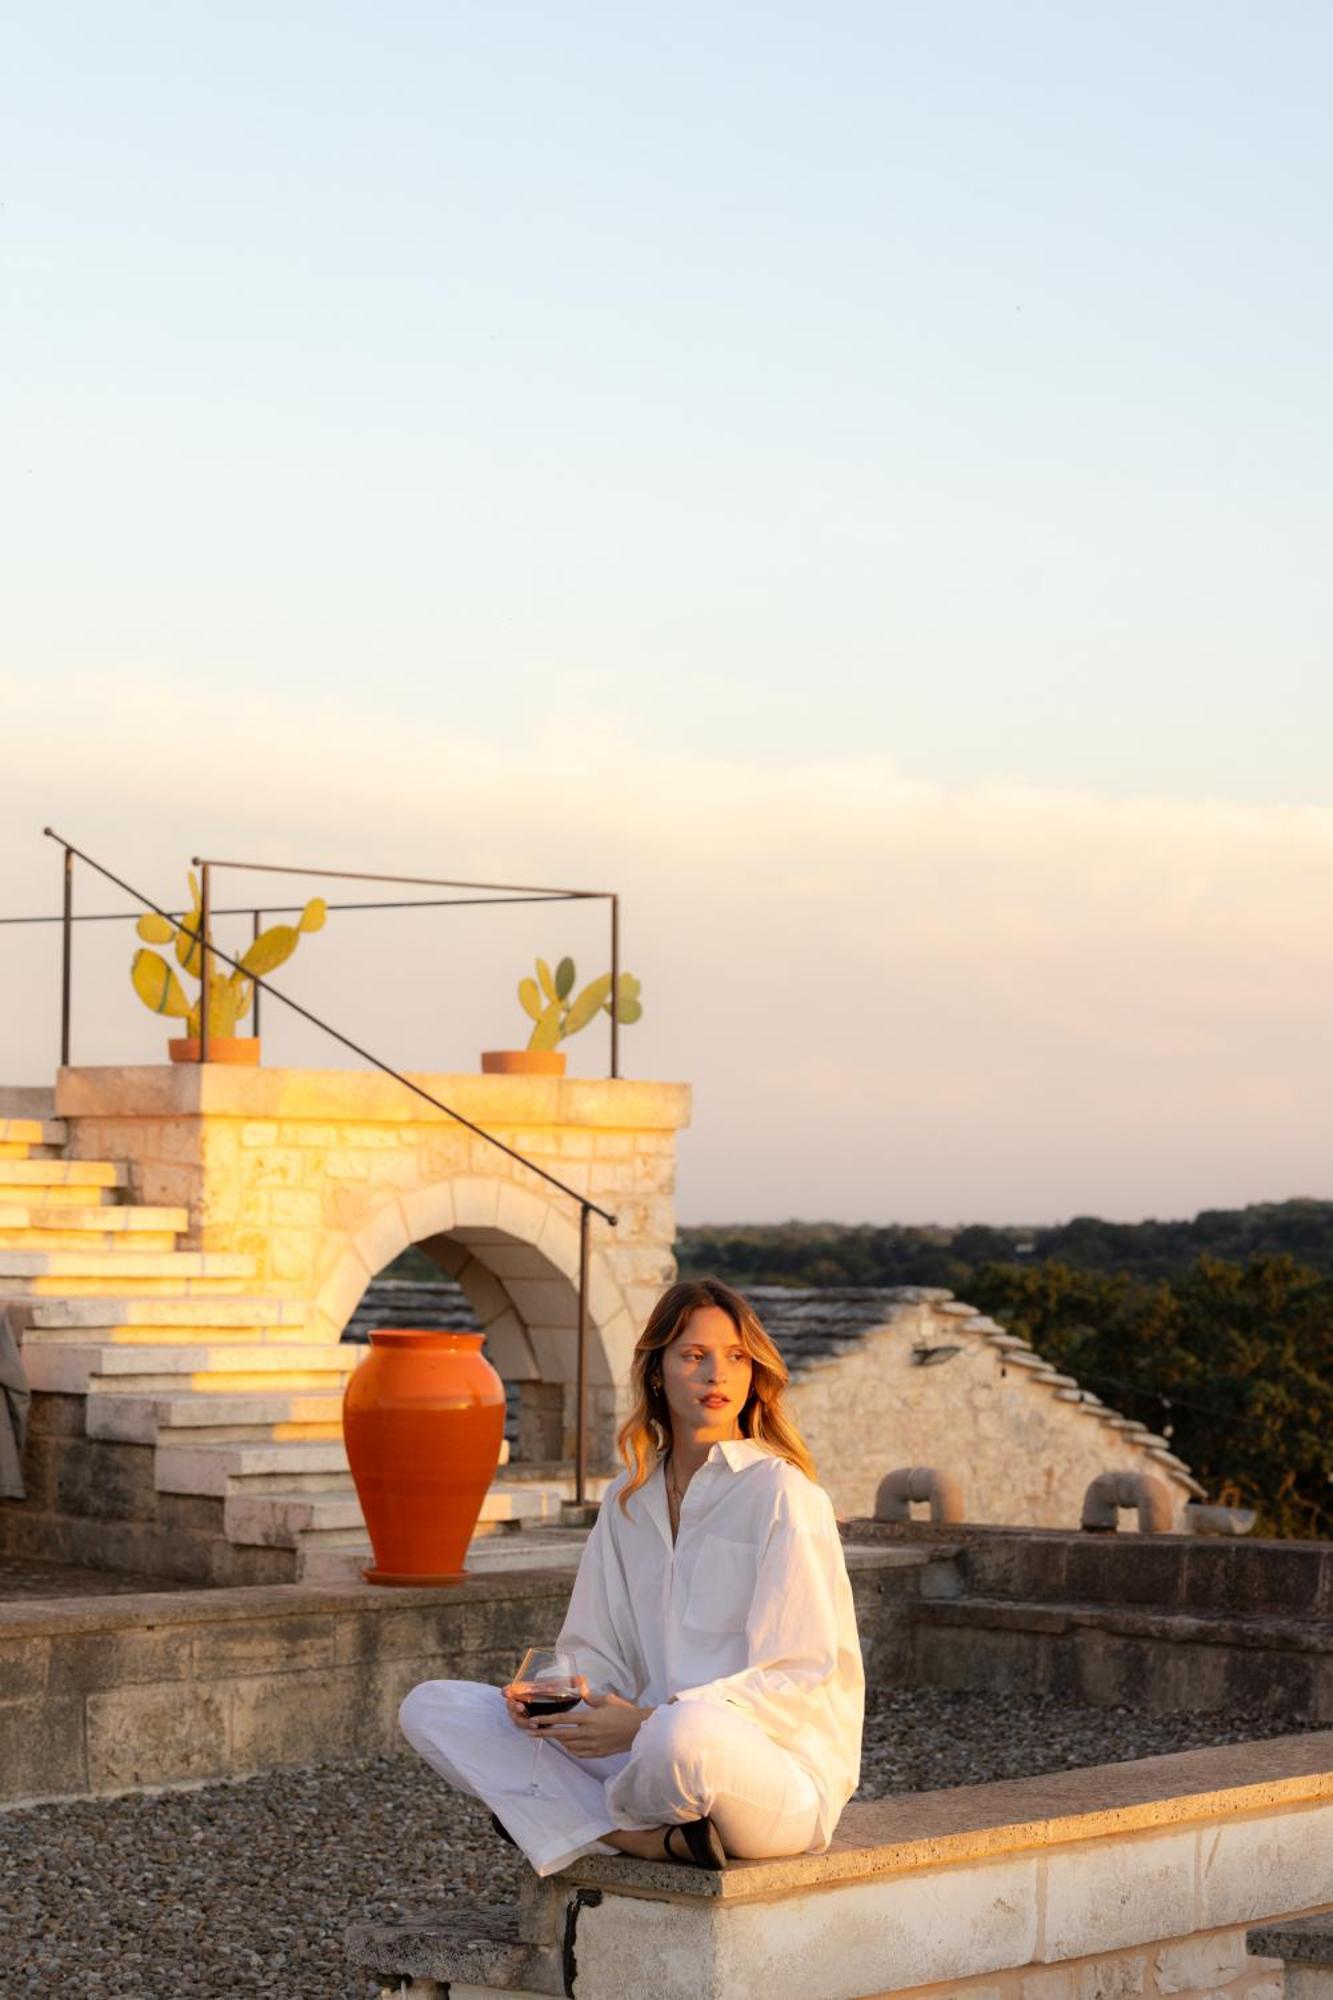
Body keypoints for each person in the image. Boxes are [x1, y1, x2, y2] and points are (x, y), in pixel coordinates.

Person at [398, 1277, 864, 1877]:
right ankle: (647, 1836)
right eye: (694, 1356)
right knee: (434, 1708)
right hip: (634, 1751)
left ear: (754, 1374)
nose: (716, 1375)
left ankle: (588, 1825)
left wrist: (645, 1722)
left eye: (736, 1357)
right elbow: (593, 1650)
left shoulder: (782, 1494)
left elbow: (799, 1676)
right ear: (657, 1372)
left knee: (685, 1736)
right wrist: (559, 1702)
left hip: (762, 1772)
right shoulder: (628, 1497)